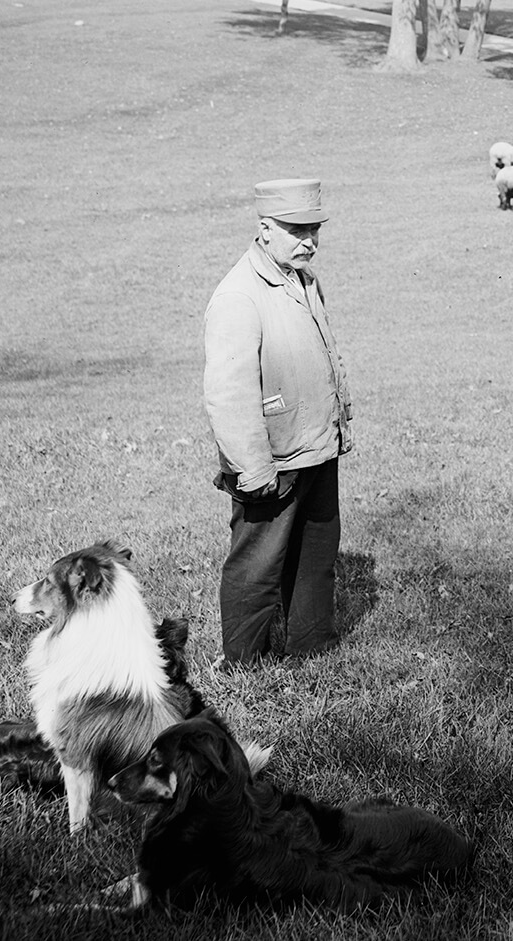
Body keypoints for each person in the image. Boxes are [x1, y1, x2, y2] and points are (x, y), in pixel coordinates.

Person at [202, 177, 353, 664]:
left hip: (315, 446)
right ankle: (244, 663)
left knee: (316, 555)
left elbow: (325, 356)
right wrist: (252, 467)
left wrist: (339, 424)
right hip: (272, 459)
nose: (309, 240)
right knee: (257, 565)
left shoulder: (304, 280)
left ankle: (311, 649)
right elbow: (228, 394)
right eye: (296, 229)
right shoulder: (239, 296)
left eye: (314, 229)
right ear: (265, 229)